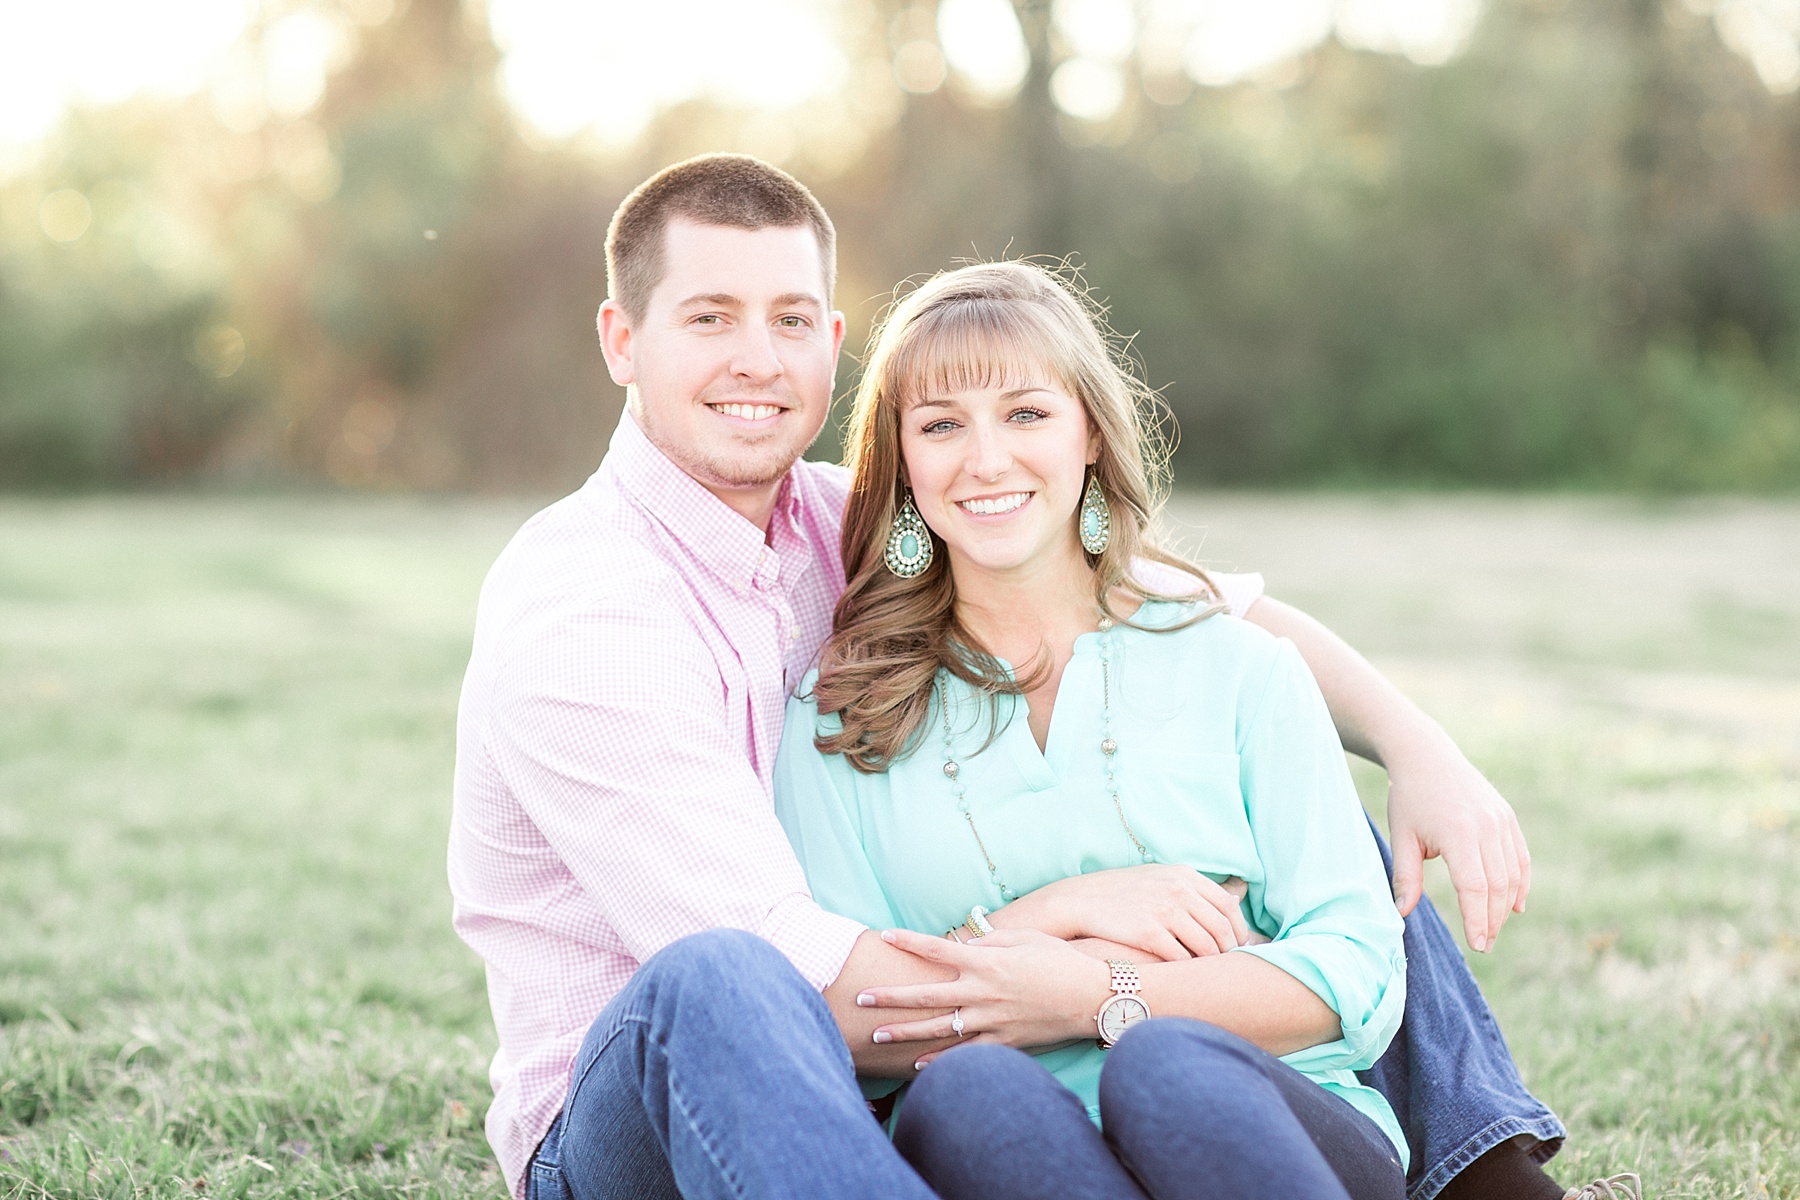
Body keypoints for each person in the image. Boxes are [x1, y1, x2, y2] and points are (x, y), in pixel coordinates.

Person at [446, 153, 1600, 1200]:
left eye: (789, 318)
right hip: (657, 1103)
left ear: (832, 341)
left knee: (1299, 817)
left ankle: (1485, 1173)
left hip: (897, 1060)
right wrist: (1057, 936)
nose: (759, 358)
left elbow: (1192, 612)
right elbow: (811, 992)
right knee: (739, 989)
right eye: (710, 317)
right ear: (622, 340)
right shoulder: (585, 614)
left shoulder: (853, 517)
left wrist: (1415, 745)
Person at [775, 257, 1413, 1199]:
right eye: (942, 425)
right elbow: (851, 1022)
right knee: (965, 1089)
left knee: (1167, 1063)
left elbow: (1357, 972)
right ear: (901, 464)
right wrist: (1061, 917)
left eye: (1026, 414)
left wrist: (1091, 998)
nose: (987, 460)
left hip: (1261, 1128)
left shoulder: (1241, 667)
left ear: (1090, 438)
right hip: (1011, 1152)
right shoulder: (839, 717)